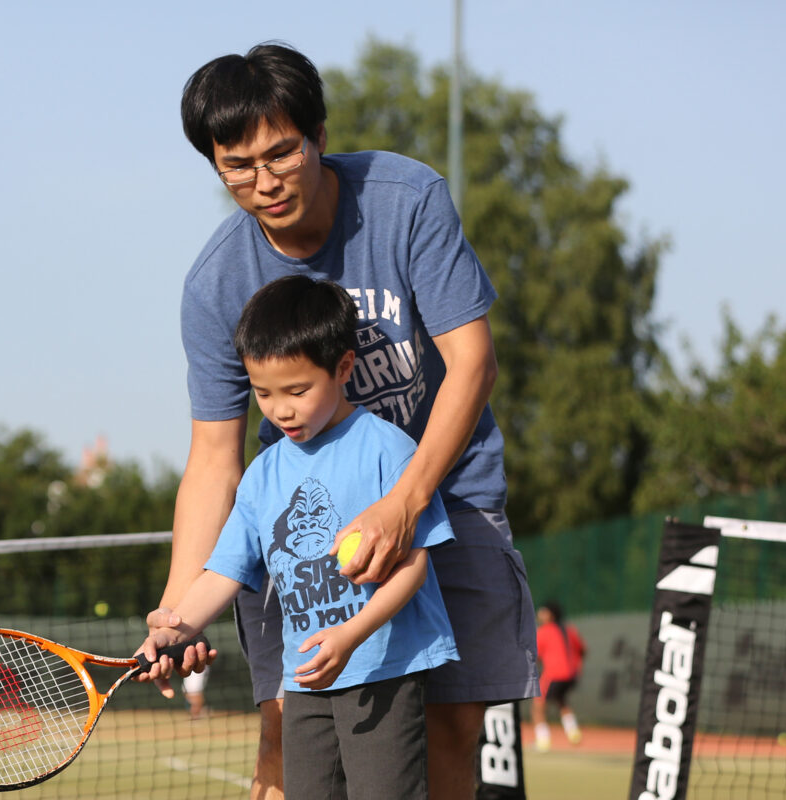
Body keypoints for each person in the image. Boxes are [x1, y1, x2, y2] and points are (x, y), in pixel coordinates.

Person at [144, 42, 539, 800]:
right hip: (302, 532)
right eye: (236, 166)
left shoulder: (407, 199)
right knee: (285, 735)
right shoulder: (215, 283)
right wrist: (176, 611)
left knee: (453, 729)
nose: (264, 182)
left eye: (281, 153)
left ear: (318, 135)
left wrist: (404, 502)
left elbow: (474, 364)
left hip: (445, 496)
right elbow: (214, 461)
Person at [141, 275, 459, 798]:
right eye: (262, 393)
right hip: (305, 681)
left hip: (382, 670)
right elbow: (222, 571)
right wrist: (176, 627)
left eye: (297, 390)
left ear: (343, 368)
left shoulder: (388, 449)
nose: (279, 409)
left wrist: (350, 635)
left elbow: (414, 568)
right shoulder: (262, 475)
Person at [532, 600, 587, 752]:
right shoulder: (570, 630)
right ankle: (573, 732)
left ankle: (542, 741)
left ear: (551, 614)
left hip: (554, 675)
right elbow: (583, 649)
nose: (540, 614)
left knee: (538, 706)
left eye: (543, 611)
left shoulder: (544, 631)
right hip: (572, 675)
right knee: (561, 700)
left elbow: (534, 656)